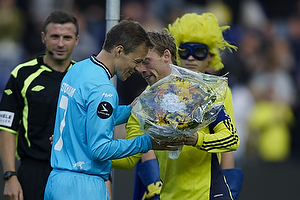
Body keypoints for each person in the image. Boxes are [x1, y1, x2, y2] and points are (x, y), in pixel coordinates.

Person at [44, 18, 184, 200]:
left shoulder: (78, 69)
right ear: (119, 51)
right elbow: (100, 149)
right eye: (136, 61)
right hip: (84, 186)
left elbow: (87, 116)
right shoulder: (104, 89)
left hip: (56, 181)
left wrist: (132, 110)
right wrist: (148, 142)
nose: (137, 68)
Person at [111, 28, 240, 200]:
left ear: (166, 55)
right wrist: (92, 152)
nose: (141, 69)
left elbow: (231, 139)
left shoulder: (199, 91)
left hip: (208, 195)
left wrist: (197, 140)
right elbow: (129, 159)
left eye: (147, 62)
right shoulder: (142, 105)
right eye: (139, 63)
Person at [0, 11, 79, 200]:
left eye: (67, 37)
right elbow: (6, 128)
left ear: (76, 40)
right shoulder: (22, 75)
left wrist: (105, 179)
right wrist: (10, 175)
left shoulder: (83, 77)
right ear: (43, 38)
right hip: (32, 171)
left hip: (74, 172)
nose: (60, 43)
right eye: (55, 37)